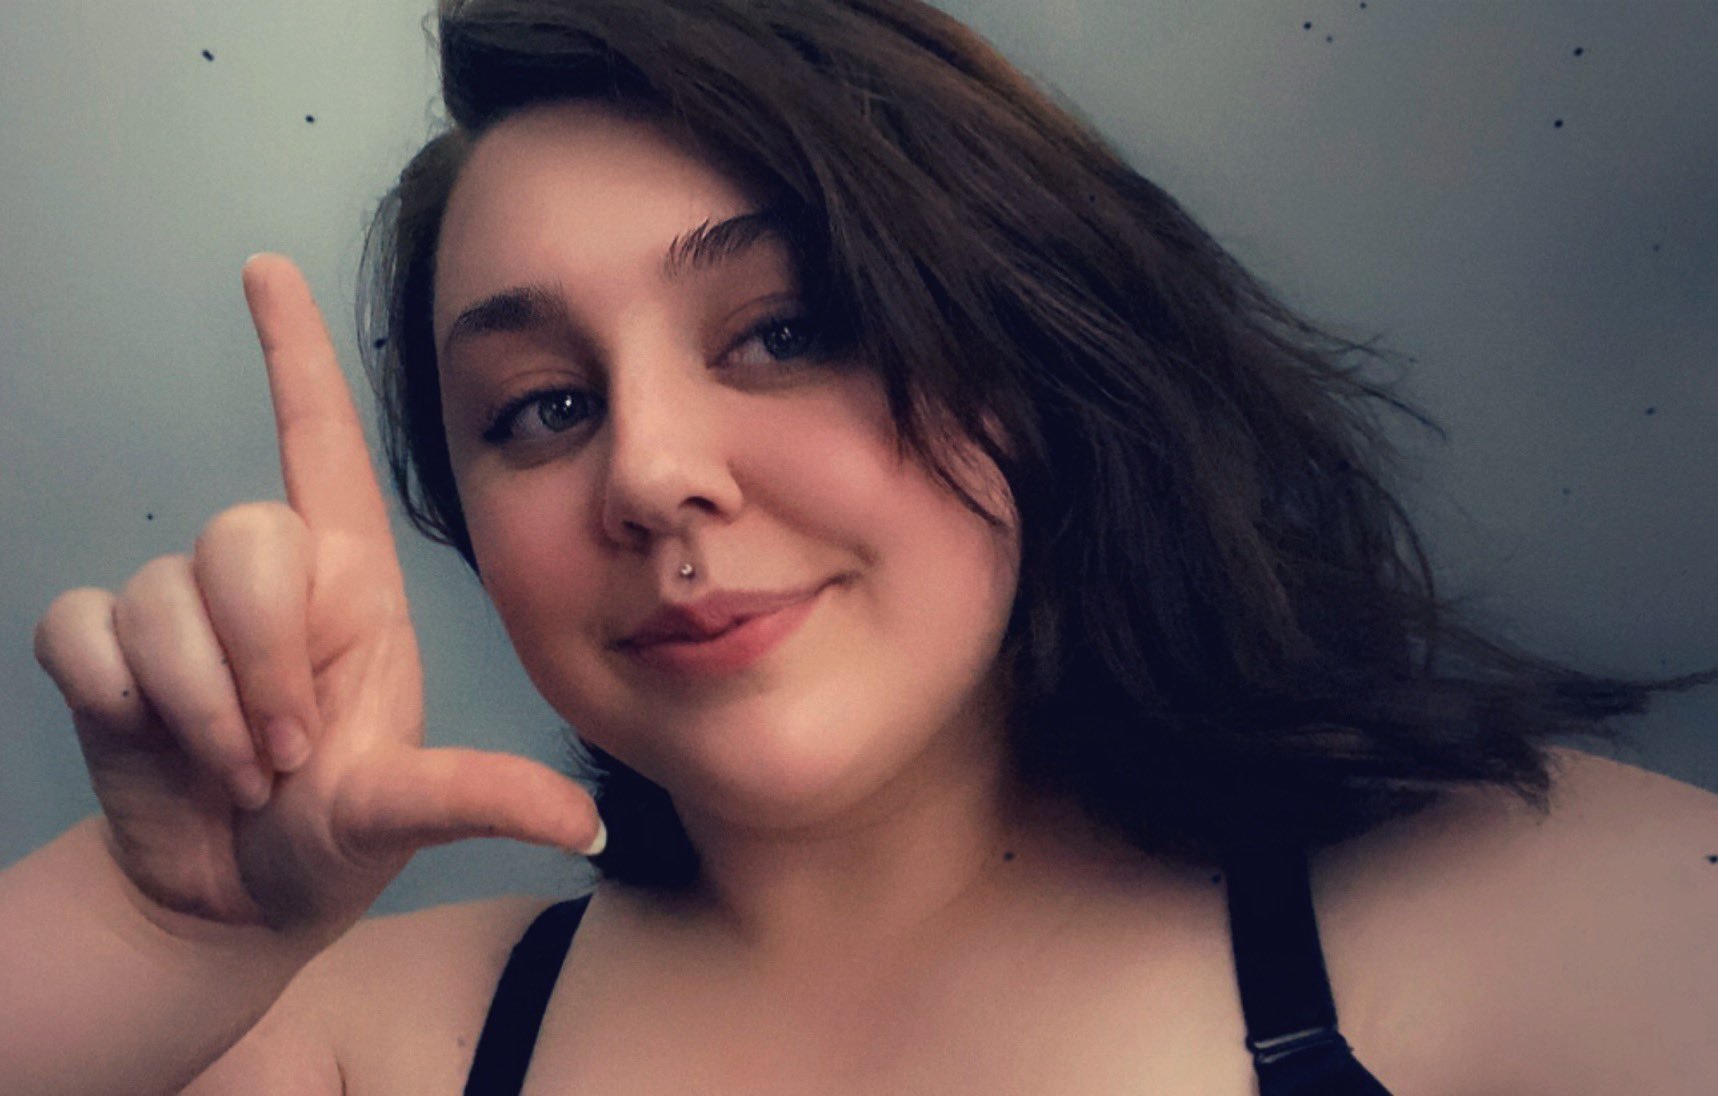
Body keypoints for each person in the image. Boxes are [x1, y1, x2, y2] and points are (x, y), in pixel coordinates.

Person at [4, 0, 1715, 1092]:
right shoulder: (361, 1046)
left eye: (787, 330)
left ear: (1032, 364)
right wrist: (149, 937)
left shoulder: (1548, 915)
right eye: (542, 407)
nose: (650, 473)